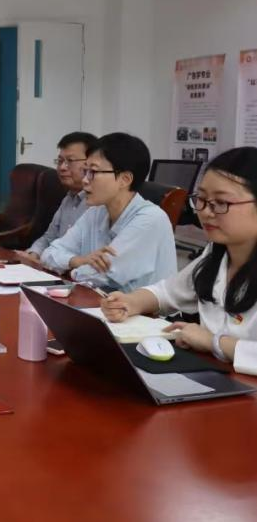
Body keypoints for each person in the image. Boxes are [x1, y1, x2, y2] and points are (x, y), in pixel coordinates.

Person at [102, 147, 257, 375]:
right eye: (201, 199)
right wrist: (130, 302)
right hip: (216, 376)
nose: (206, 212)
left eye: (221, 202)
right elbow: (167, 292)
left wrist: (214, 342)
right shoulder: (217, 253)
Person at [39, 132, 176, 292]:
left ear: (125, 179)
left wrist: (72, 270)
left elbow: (104, 276)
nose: (85, 180)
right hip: (97, 301)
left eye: (93, 172)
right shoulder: (95, 212)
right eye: (85, 171)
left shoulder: (151, 219)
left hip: (142, 308)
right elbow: (49, 254)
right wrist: (79, 261)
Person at [16, 131, 98, 267]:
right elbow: (49, 237)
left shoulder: (97, 203)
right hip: (55, 265)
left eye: (70, 161)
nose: (62, 167)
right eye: (60, 161)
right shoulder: (68, 198)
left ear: (91, 163)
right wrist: (33, 254)